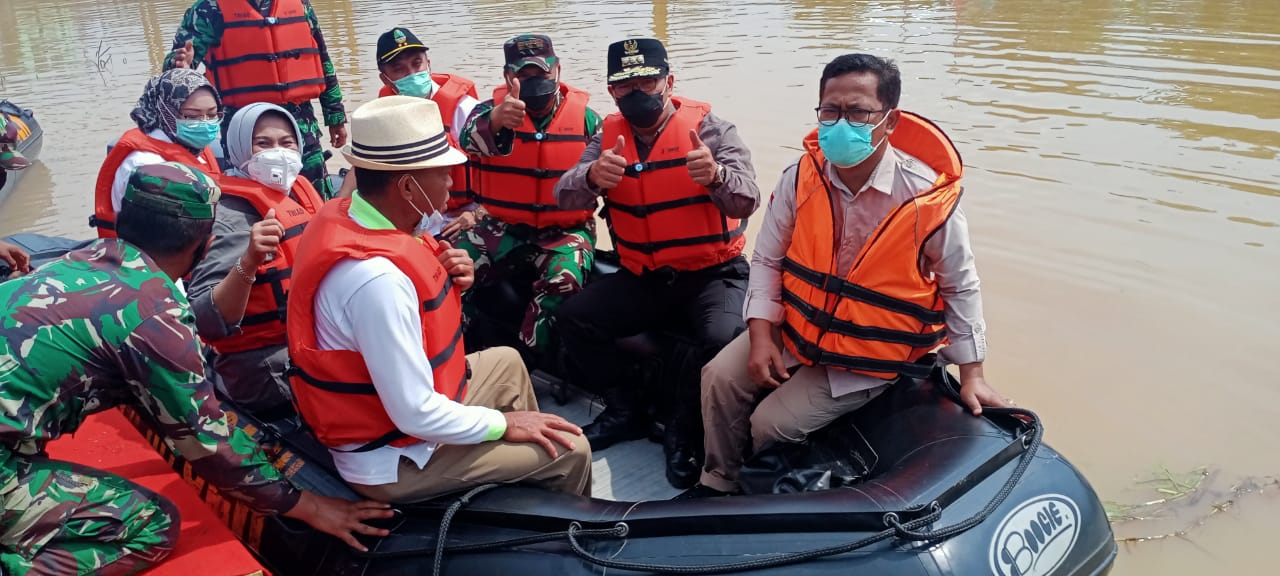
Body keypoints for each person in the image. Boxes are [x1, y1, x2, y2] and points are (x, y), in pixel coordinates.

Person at [0, 163, 392, 575]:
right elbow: (206, 445)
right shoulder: (154, 314)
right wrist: (308, 505)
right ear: (206, 245)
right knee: (151, 526)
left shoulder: (78, 260)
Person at [684, 54, 1012, 499]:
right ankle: (718, 482)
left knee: (771, 423)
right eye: (830, 111)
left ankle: (757, 498)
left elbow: (960, 285)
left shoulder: (925, 199)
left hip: (866, 355)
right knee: (719, 377)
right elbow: (767, 259)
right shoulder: (800, 177)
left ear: (890, 121)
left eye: (858, 112)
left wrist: (972, 374)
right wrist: (761, 335)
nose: (841, 124)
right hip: (798, 327)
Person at [286, 96, 592, 503]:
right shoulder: (377, 281)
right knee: (573, 451)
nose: (452, 184)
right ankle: (563, 521)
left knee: (507, 361)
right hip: (390, 453)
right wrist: (504, 425)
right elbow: (414, 413)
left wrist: (450, 280)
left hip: (401, 412)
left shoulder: (356, 216)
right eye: (443, 174)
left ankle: (520, 485)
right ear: (407, 187)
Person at [553, 38, 760, 489]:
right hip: (644, 275)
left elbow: (747, 199)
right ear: (612, 91)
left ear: (669, 81)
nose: (637, 93)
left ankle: (682, 430)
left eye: (647, 81)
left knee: (722, 340)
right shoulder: (607, 138)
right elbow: (563, 195)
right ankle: (625, 408)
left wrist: (717, 177)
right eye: (625, 86)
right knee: (574, 318)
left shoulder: (712, 131)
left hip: (713, 273)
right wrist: (590, 177)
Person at [456, 34, 601, 355]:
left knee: (564, 281)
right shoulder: (487, 113)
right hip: (499, 227)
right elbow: (467, 140)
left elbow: (610, 179)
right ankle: (456, 352)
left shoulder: (588, 120)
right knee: (450, 274)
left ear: (557, 70)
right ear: (508, 77)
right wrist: (496, 121)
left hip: (565, 232)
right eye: (523, 74)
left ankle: (529, 359)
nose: (534, 80)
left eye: (541, 72)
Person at [187, 103, 324, 415]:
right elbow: (205, 319)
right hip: (266, 366)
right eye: (263, 143)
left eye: (287, 143)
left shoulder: (298, 192)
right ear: (238, 149)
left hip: (309, 341)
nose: (278, 153)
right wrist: (249, 260)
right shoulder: (230, 218)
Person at [165, 0, 348, 199]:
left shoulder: (300, 4)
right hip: (243, 130)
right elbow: (174, 69)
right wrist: (179, 66)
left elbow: (322, 59)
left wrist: (335, 115)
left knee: (314, 194)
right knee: (251, 199)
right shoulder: (209, 9)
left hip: (301, 125)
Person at [333, 26, 480, 238]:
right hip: (411, 219)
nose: (412, 74)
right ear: (386, 79)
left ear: (428, 63)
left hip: (460, 216)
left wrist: (478, 213)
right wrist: (337, 214)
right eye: (399, 68)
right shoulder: (384, 113)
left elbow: (499, 170)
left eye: (417, 63)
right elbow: (361, 167)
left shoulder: (464, 110)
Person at [93, 68, 223, 238]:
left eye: (212, 115)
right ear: (166, 112)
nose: (205, 124)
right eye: (192, 117)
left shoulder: (196, 149)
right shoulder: (146, 165)